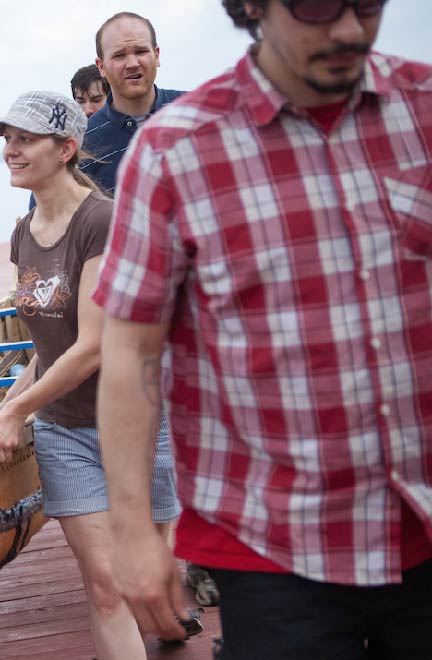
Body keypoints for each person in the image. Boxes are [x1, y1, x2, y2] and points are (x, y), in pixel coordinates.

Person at [94, 1, 432, 657]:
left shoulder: (423, 111)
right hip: (271, 542)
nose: (346, 29)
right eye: (315, 5)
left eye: (366, 4)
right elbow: (130, 344)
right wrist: (134, 531)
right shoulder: (174, 150)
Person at [0, 91, 180, 660]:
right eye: (7, 140)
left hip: (134, 422)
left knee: (155, 574)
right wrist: (1, 407)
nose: (11, 152)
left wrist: (17, 410)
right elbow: (47, 347)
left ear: (66, 148)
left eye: (25, 140)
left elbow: (92, 346)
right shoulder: (22, 234)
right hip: (66, 431)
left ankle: (168, 623)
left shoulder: (101, 220)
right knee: (106, 586)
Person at [81, 11, 186, 195]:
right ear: (101, 67)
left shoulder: (194, 113)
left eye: (141, 51)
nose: (132, 63)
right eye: (119, 56)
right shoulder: (82, 144)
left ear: (157, 54)